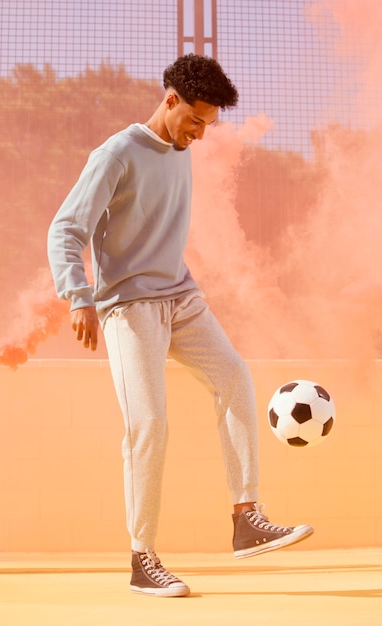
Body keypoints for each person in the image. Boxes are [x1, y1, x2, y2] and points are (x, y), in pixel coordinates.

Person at [47, 54, 313, 598]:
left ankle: (246, 517)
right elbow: (66, 229)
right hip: (129, 307)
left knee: (235, 377)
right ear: (169, 100)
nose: (200, 133)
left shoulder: (181, 147)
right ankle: (142, 557)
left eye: (208, 125)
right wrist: (79, 298)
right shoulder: (116, 154)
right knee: (150, 425)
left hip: (181, 297)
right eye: (195, 120)